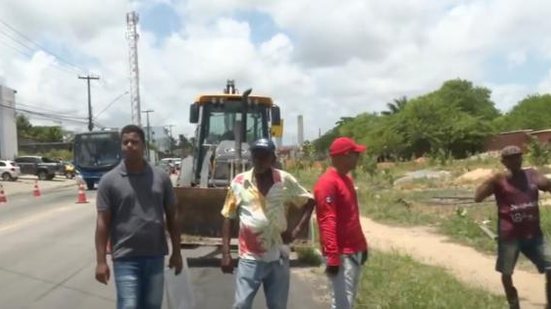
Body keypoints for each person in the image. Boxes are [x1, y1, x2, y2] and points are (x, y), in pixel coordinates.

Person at [220, 138, 315, 309]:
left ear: (273, 159)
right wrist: (226, 253)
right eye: (256, 155)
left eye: (264, 156)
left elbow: (309, 201)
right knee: (241, 304)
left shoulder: (285, 180)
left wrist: (297, 229)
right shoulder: (239, 182)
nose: (259, 160)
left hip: (278, 258)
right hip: (250, 258)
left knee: (277, 305)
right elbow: (229, 216)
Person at [95, 124, 183, 309]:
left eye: (134, 142)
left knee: (152, 306)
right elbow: (103, 222)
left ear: (143, 146)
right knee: (129, 305)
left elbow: (173, 217)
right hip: (125, 258)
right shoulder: (109, 181)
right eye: (125, 142)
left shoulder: (161, 178)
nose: (129, 145)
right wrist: (101, 261)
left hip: (155, 256)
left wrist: (177, 252)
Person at [475, 145, 551, 309]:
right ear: (504, 161)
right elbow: (477, 197)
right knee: (507, 273)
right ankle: (513, 304)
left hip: (534, 234)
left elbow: (547, 185)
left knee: (550, 266)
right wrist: (489, 180)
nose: (515, 160)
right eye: (510, 158)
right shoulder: (499, 179)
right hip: (510, 236)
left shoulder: (532, 175)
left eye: (518, 157)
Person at [314, 137, 368, 309]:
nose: (358, 158)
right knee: (342, 303)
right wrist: (332, 257)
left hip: (353, 251)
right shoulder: (327, 183)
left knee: (347, 302)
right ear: (345, 156)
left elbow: (351, 217)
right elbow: (327, 221)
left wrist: (362, 245)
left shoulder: (346, 179)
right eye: (355, 154)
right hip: (342, 254)